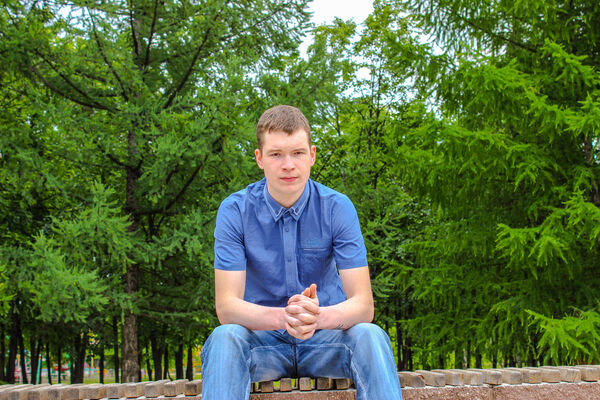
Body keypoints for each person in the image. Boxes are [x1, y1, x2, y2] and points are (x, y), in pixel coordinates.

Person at [201, 105, 402, 400]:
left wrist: (316, 318)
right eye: (276, 154)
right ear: (259, 158)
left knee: (371, 336)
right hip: (262, 343)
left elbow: (363, 306)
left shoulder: (337, 208)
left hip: (327, 341)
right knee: (224, 338)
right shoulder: (235, 211)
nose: (288, 165)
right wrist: (286, 317)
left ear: (312, 155)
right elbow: (227, 308)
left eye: (297, 153)